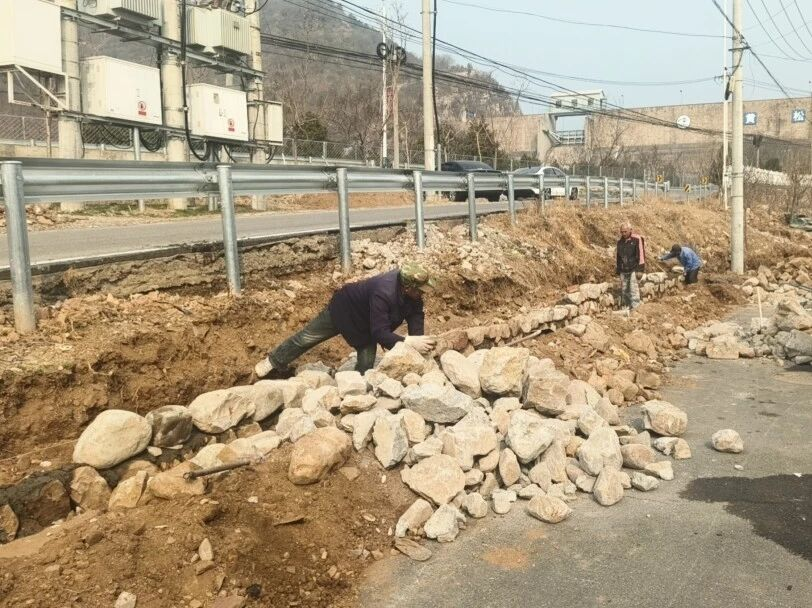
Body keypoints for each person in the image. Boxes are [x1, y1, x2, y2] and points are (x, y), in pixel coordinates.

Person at [253, 263, 436, 378]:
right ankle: (272, 362)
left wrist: (418, 344)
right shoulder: (384, 292)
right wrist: (407, 341)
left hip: (368, 320)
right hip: (344, 310)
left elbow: (415, 316)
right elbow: (380, 333)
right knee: (307, 337)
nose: (423, 293)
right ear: (407, 287)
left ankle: (357, 389)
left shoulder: (414, 295)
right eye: (420, 289)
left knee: (367, 362)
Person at [616, 221, 646, 310]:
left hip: (634, 268)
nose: (623, 234)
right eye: (622, 232)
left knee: (633, 289)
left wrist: (640, 269)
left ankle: (636, 308)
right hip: (624, 269)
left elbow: (641, 254)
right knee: (624, 290)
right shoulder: (620, 242)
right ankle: (627, 308)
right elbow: (618, 257)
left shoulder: (637, 239)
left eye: (625, 231)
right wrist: (618, 270)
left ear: (630, 230)